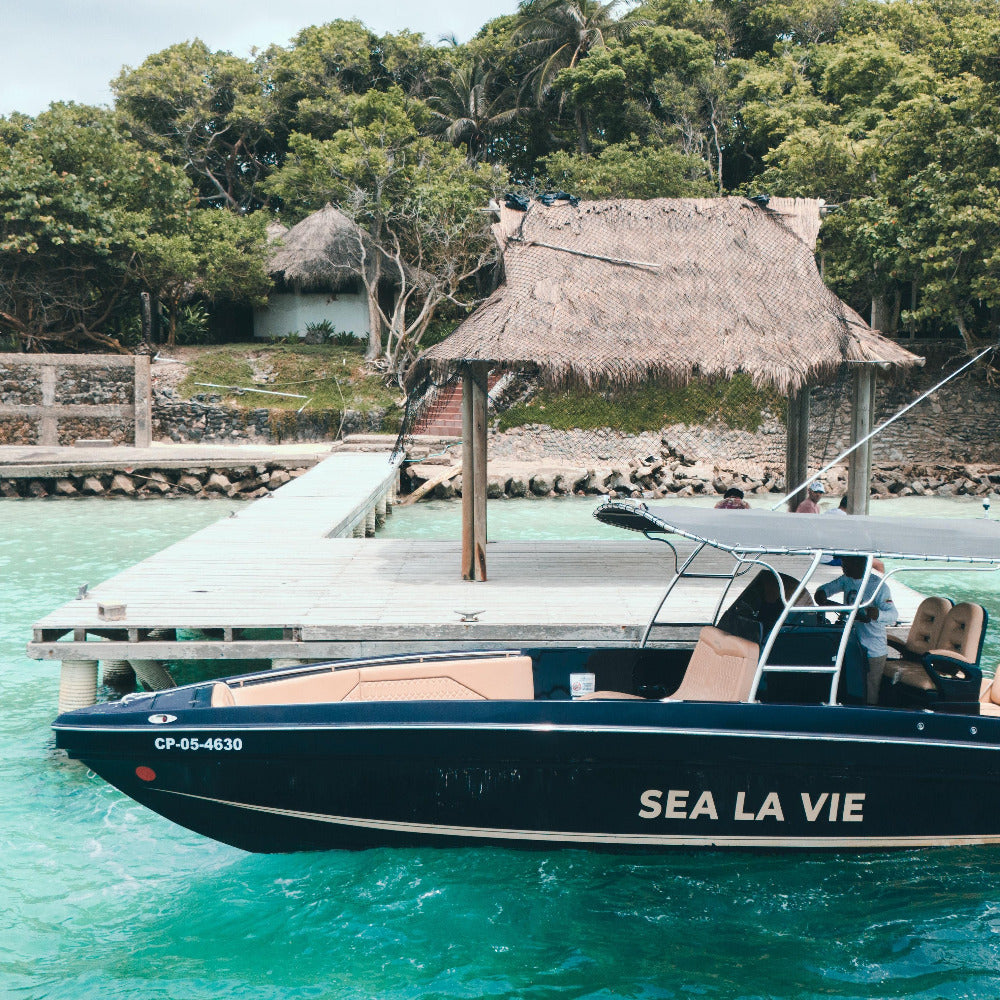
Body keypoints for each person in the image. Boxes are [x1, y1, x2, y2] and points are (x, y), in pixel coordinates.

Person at [815, 556, 897, 705]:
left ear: (861, 563)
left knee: (870, 690)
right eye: (843, 561)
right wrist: (821, 593)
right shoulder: (846, 579)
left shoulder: (879, 587)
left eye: (847, 562)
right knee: (849, 684)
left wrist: (877, 614)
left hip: (873, 649)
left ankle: (869, 718)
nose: (843, 565)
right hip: (852, 644)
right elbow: (826, 589)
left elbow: (893, 615)